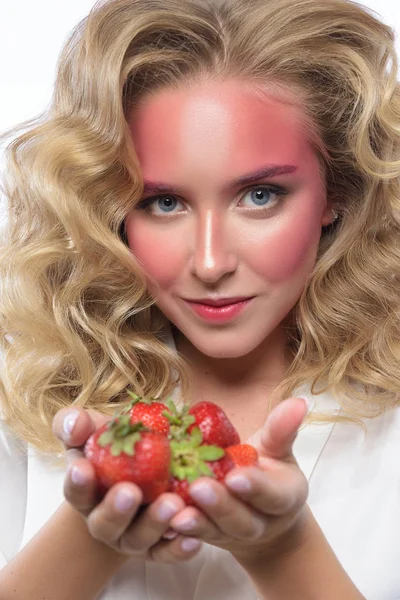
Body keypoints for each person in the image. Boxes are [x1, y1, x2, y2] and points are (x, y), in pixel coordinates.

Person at [0, 0, 399, 598]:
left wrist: (284, 550)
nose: (211, 263)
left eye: (260, 195)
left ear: (334, 192)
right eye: (163, 203)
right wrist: (91, 532)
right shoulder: (24, 393)